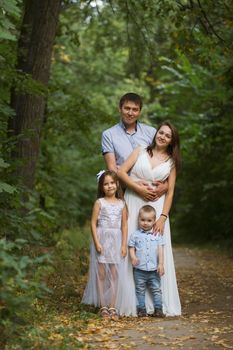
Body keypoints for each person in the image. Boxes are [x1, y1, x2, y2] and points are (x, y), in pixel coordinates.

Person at [117, 121, 181, 316]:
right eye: (161, 132)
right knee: (131, 248)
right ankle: (129, 303)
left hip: (157, 209)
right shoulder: (140, 150)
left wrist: (163, 217)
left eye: (167, 135)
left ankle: (158, 304)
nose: (162, 136)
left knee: (155, 251)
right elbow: (121, 172)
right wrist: (138, 188)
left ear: (172, 141)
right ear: (156, 134)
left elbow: (169, 192)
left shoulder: (171, 162)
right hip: (134, 202)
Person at [102, 92, 167, 200]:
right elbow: (112, 170)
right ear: (120, 108)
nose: (130, 113)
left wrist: (165, 186)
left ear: (139, 112)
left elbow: (164, 161)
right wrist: (136, 187)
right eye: (127, 108)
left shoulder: (151, 132)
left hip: (150, 191)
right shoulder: (108, 135)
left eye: (135, 109)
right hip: (122, 191)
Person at [82, 170, 128, 319]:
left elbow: (125, 225)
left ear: (117, 184)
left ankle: (113, 306)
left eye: (112, 183)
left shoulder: (122, 204)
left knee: (114, 273)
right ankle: (103, 306)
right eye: (106, 184)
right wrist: (97, 242)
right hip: (103, 240)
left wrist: (123, 245)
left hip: (116, 240)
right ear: (102, 187)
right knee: (101, 274)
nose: (109, 186)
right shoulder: (99, 203)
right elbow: (93, 223)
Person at [128, 205, 165, 318]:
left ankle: (158, 309)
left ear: (154, 221)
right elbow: (131, 247)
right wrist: (133, 257)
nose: (145, 223)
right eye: (143, 220)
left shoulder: (157, 235)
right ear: (139, 219)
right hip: (140, 270)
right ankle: (141, 310)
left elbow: (160, 250)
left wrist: (161, 264)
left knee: (156, 290)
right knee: (140, 290)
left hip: (154, 270)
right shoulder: (135, 235)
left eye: (149, 220)